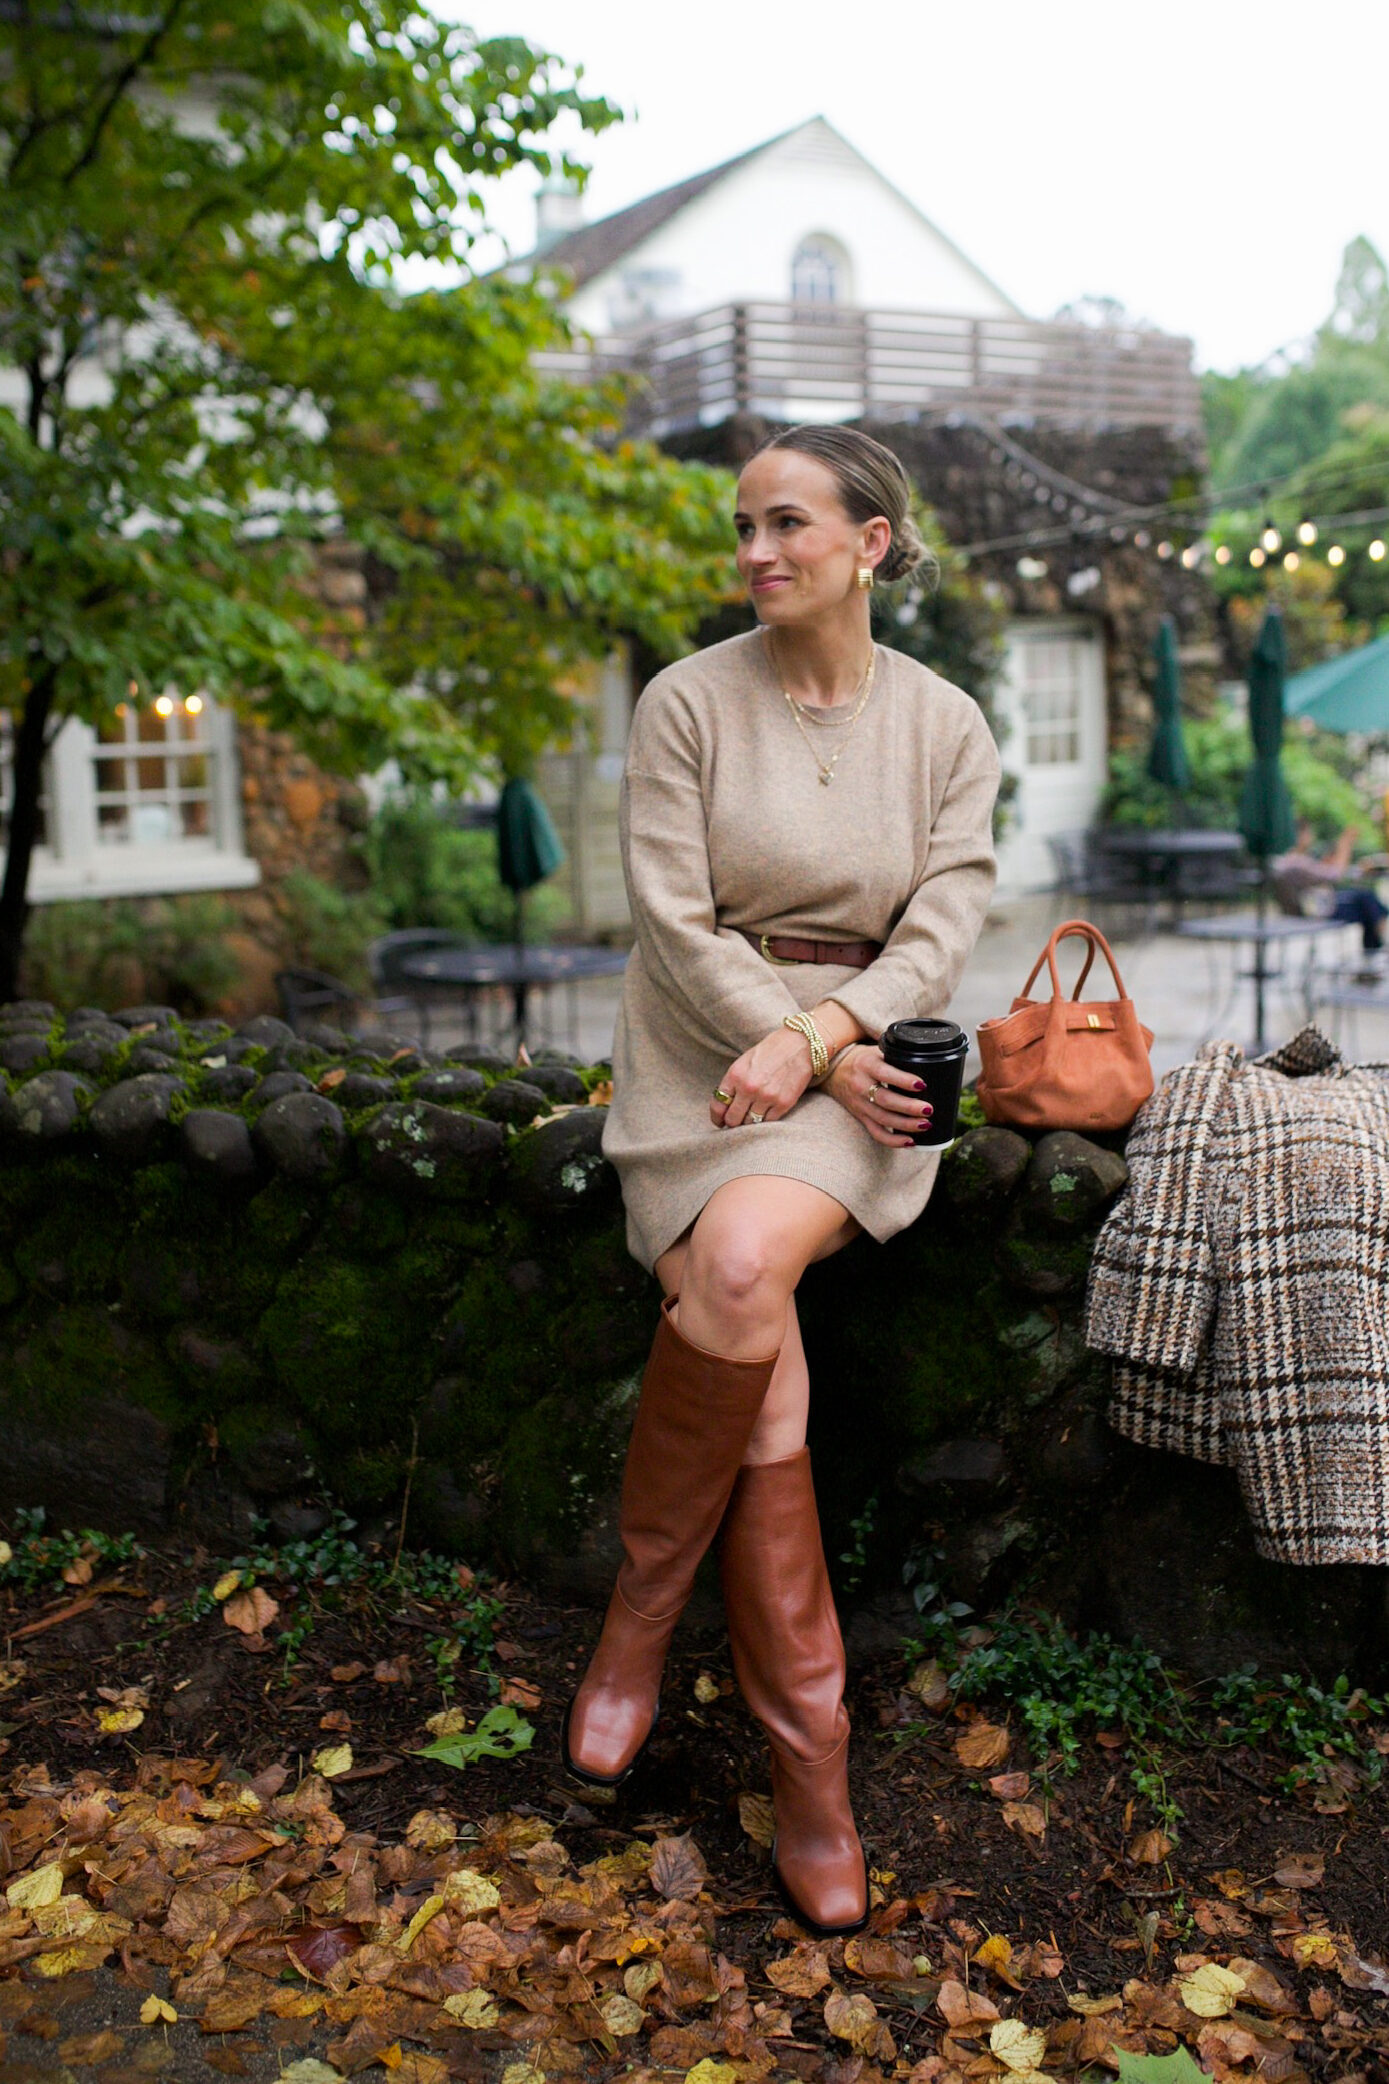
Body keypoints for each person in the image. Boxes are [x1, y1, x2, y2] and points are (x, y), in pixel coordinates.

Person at [564, 424, 1000, 1936]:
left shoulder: (947, 724)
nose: (756, 551)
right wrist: (777, 1039)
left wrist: (823, 1044)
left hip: (857, 1072)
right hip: (694, 1059)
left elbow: (945, 922)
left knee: (739, 1271)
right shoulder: (686, 702)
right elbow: (673, 924)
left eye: (788, 523)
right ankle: (807, 1765)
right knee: (769, 1359)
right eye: (744, 525)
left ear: (871, 542)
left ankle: (640, 1624)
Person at [1271, 821, 1387, 957]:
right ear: (1300, 836)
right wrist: (1345, 844)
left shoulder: (1289, 860)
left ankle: (1374, 950)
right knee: (1367, 903)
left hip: (1311, 908)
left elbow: (1320, 875)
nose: (1311, 837)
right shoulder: (1296, 861)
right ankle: (1375, 950)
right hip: (1315, 911)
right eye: (1308, 833)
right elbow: (1335, 875)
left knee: (1366, 901)